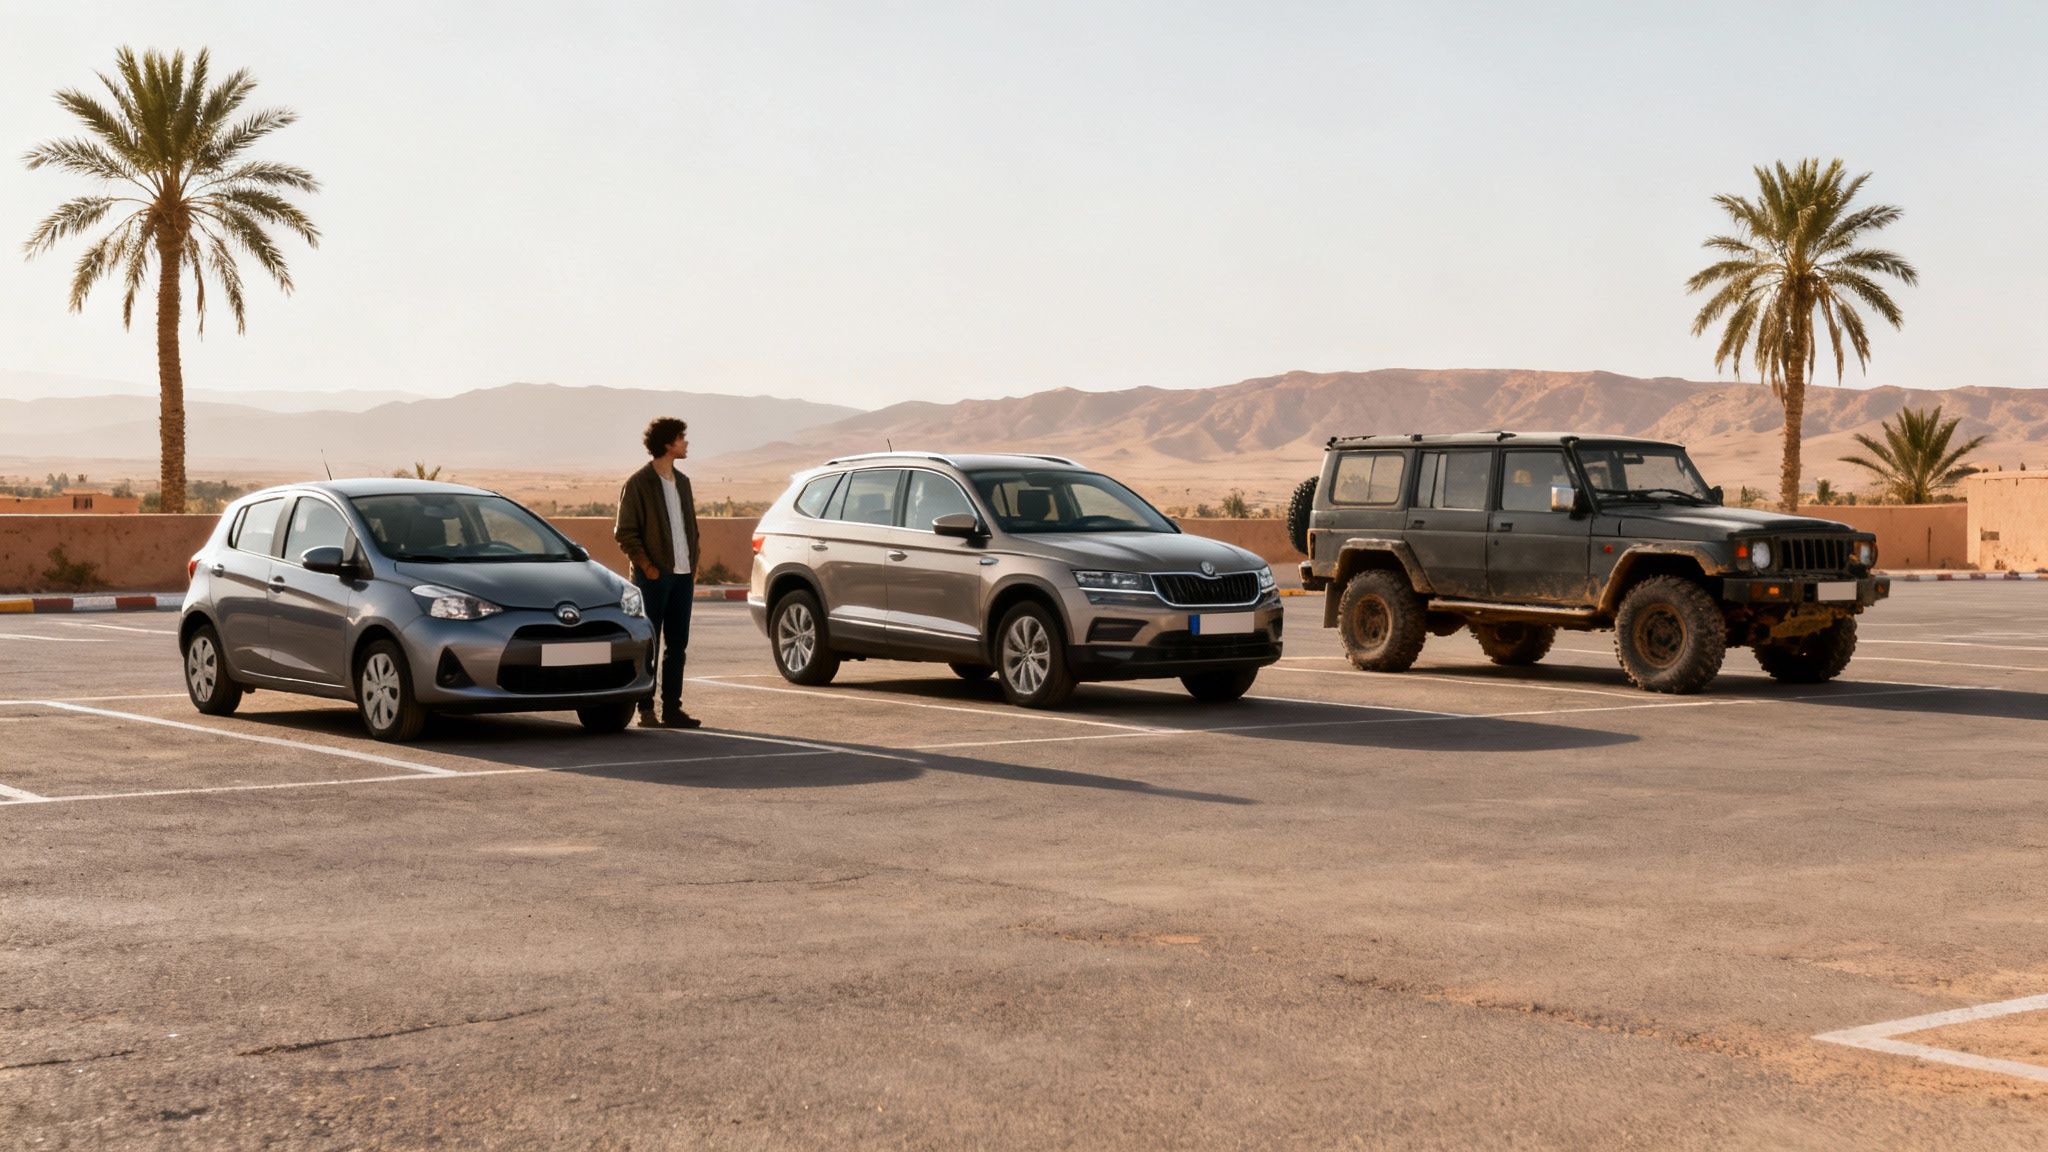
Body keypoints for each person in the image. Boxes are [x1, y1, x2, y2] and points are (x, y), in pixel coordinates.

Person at [614, 417, 702, 729]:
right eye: (682, 438)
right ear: (668, 443)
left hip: (682, 576)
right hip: (654, 577)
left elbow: (692, 529)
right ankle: (645, 709)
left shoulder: (684, 483)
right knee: (649, 642)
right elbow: (625, 532)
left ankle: (672, 709)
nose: (686, 443)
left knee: (678, 645)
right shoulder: (638, 484)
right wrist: (647, 567)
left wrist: (694, 564)